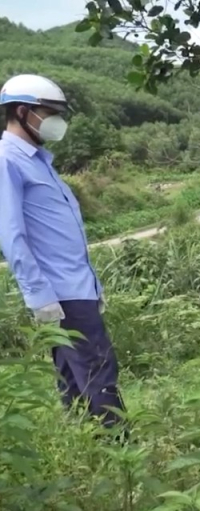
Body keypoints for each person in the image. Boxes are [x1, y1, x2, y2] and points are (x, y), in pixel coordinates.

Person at [0, 74, 126, 430]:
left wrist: (93, 288)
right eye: (49, 112)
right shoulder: (7, 161)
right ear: (23, 112)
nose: (56, 121)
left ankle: (86, 451)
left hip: (76, 290)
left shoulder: (39, 161)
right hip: (61, 294)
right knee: (99, 373)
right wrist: (39, 296)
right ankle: (120, 452)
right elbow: (10, 234)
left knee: (73, 378)